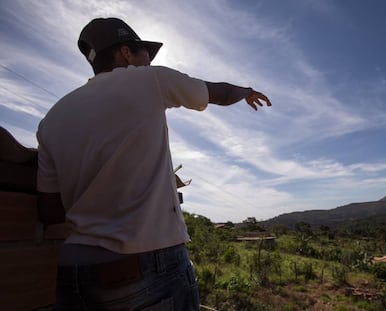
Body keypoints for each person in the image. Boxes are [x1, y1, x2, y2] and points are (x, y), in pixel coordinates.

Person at [36, 17, 271, 311]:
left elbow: (49, 211)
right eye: (144, 52)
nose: (148, 60)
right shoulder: (149, 80)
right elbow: (220, 94)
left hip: (74, 274)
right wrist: (246, 90)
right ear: (126, 52)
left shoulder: (52, 119)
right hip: (144, 265)